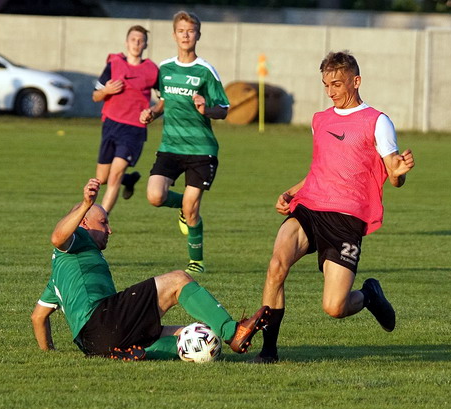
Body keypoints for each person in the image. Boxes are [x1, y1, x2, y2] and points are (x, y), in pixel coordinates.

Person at [254, 51, 416, 364]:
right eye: (326, 85)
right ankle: (268, 351)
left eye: (337, 84)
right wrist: (290, 192)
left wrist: (398, 174)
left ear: (356, 81)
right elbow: (322, 168)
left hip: (346, 218)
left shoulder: (377, 122)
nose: (331, 91)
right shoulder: (320, 120)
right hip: (310, 207)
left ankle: (368, 296)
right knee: (276, 266)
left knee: (334, 307)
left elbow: (394, 174)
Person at [31, 178, 269, 360]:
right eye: (103, 223)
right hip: (103, 321)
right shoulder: (78, 238)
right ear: (83, 223)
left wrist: (49, 354)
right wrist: (86, 204)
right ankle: (233, 332)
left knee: (199, 335)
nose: (109, 230)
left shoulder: (58, 277)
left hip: (93, 344)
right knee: (178, 280)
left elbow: (38, 317)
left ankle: (139, 351)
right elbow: (57, 238)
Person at [140, 11, 229, 275]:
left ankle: (196, 262)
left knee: (192, 210)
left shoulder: (206, 70)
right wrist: (151, 113)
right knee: (155, 196)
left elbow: (223, 109)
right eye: (181, 31)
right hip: (170, 146)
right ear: (174, 35)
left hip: (201, 150)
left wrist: (205, 109)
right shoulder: (165, 69)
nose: (186, 35)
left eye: (190, 31)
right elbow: (163, 102)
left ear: (198, 35)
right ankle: (182, 205)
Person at [92, 25, 159, 213]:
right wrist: (106, 90)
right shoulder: (114, 65)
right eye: (133, 40)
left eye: (140, 40)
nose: (136, 43)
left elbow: (164, 99)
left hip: (134, 129)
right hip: (111, 124)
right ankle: (128, 180)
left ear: (145, 45)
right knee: (102, 178)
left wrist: (153, 112)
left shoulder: (152, 70)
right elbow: (95, 96)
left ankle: (101, 220)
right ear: (126, 42)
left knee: (115, 175)